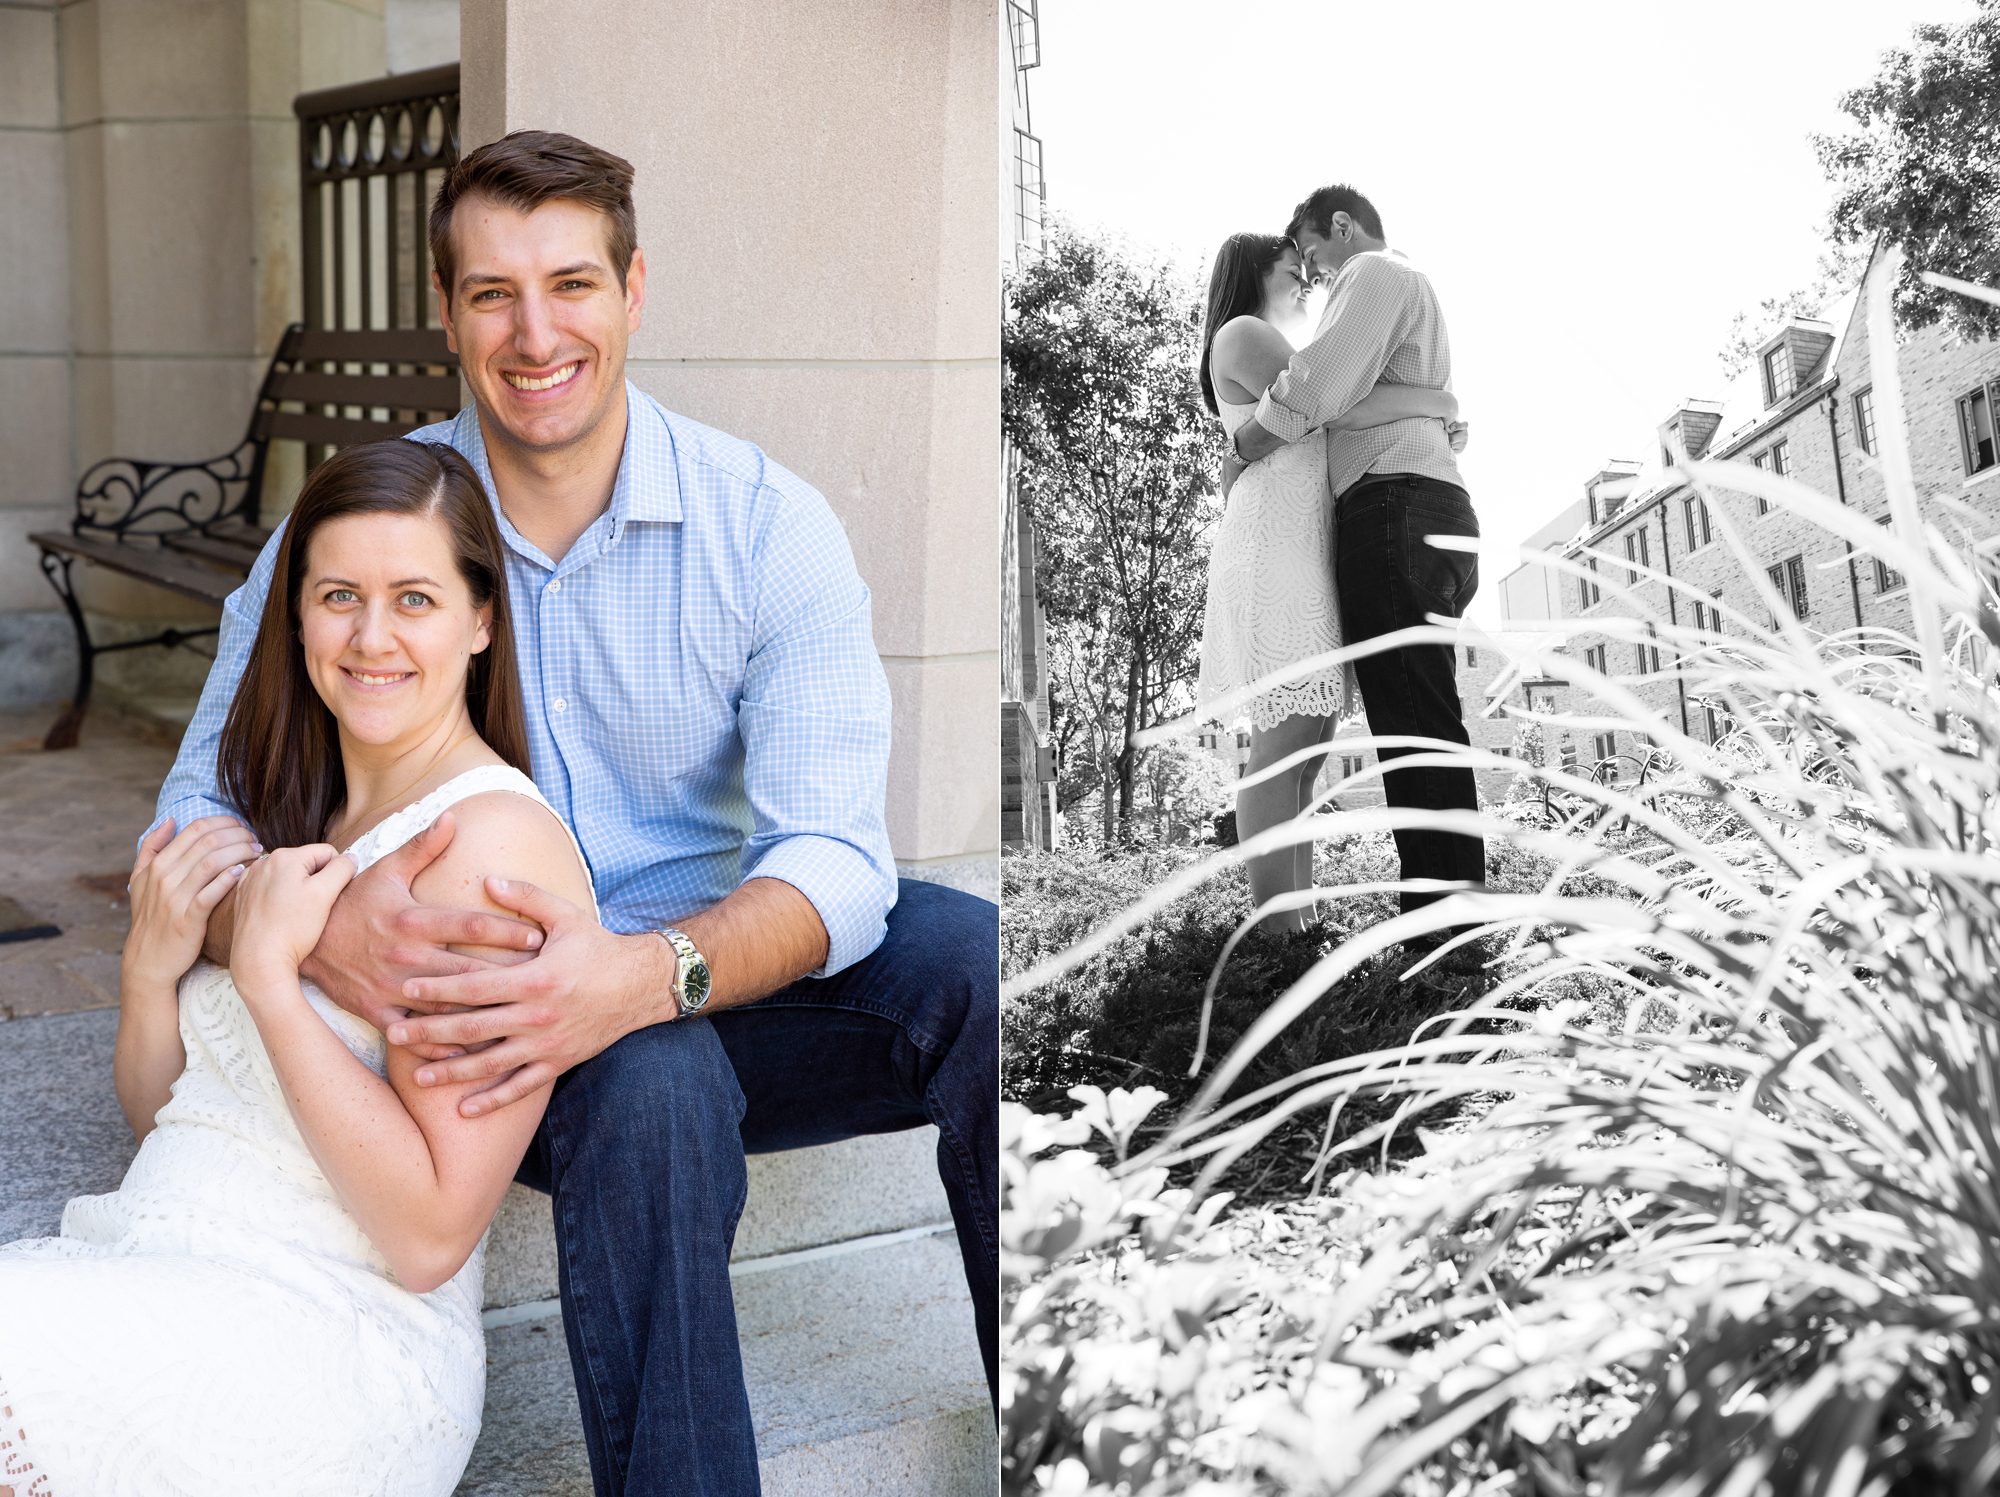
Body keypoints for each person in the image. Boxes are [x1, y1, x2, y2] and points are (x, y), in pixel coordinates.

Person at [146, 131, 996, 1497]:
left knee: (978, 961)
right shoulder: (375, 526)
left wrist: (647, 973)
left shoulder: (765, 527)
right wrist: (322, 922)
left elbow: (835, 861)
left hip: (703, 968)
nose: (534, 332)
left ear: (633, 290)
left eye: (571, 284)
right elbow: (194, 809)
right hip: (471, 1023)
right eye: (491, 293)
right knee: (649, 1083)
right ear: (447, 314)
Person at [0, 440, 596, 1496]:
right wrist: (150, 970)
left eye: (414, 598)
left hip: (329, 1340)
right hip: (161, 1267)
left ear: (481, 621)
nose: (371, 637)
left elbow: (428, 1234)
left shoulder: (490, 850)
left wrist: (272, 985)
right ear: (295, 616)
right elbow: (177, 1122)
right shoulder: (297, 809)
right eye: (338, 597)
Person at [1229, 185, 1485, 937]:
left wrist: (1242, 446)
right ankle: (1453, 917)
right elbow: (1380, 394)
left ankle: (1442, 927)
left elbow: (1315, 388)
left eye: (1312, 252)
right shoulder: (1412, 291)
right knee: (1425, 717)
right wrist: (1436, 406)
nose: (1312, 274)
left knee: (1413, 724)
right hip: (1425, 504)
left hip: (1393, 509)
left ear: (1343, 228)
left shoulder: (1371, 275)